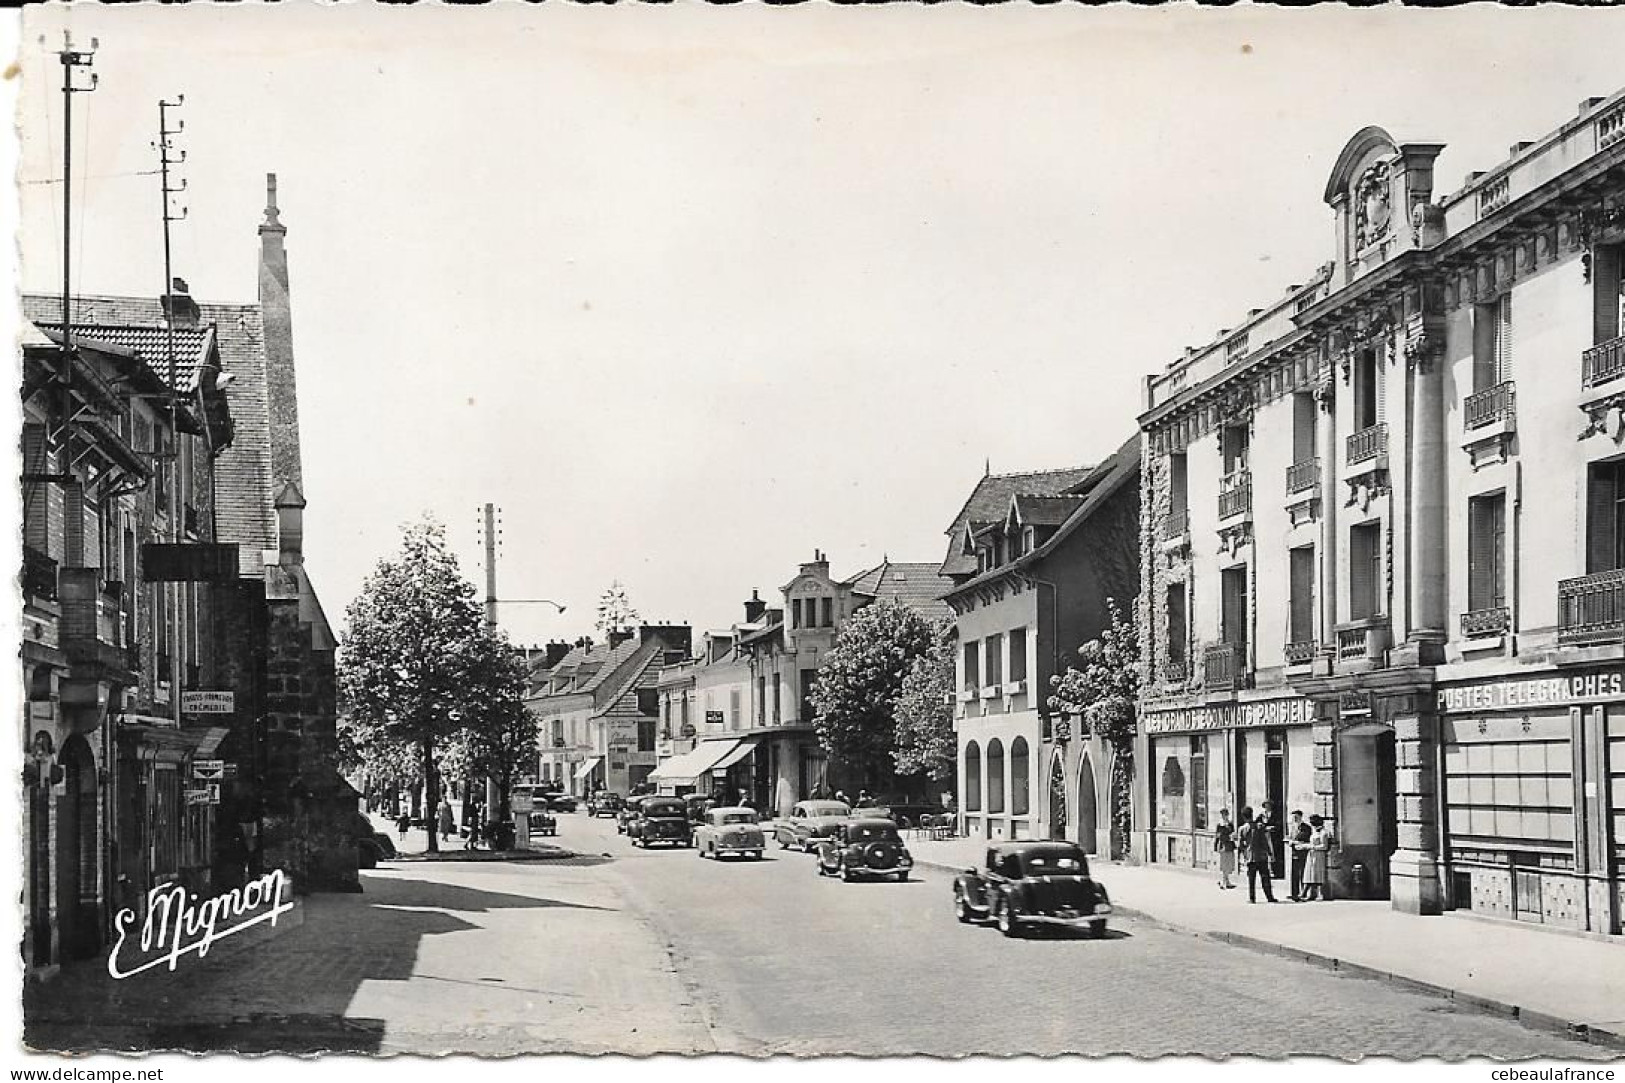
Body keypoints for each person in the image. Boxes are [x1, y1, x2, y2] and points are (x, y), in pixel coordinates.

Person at [1238, 805, 1277, 903]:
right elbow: (1264, 841)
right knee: (1265, 877)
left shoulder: (1242, 829)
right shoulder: (1259, 827)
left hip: (1250, 856)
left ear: (1243, 817)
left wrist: (1244, 854)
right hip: (1261, 855)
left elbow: (1240, 844)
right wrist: (1269, 852)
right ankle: (1269, 897)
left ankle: (1252, 898)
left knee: (1251, 878)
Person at [1303, 815, 1331, 900]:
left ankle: (1319, 894)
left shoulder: (1324, 832)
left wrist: (1312, 847)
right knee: (1309, 874)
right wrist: (1305, 846)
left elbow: (1324, 846)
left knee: (1317, 874)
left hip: (1319, 855)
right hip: (1311, 854)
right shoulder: (1314, 832)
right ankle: (1309, 894)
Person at [1286, 810, 1311, 901]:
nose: (1295, 819)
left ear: (1301, 817)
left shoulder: (1306, 828)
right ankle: (1294, 893)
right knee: (1294, 873)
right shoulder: (1293, 828)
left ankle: (1303, 893)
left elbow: (1307, 840)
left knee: (1303, 873)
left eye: (1296, 817)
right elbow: (1290, 837)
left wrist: (1295, 842)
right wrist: (1290, 841)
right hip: (1294, 852)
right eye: (1293, 817)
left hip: (1302, 852)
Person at [1212, 809, 1237, 889]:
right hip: (1223, 845)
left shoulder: (1230, 824)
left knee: (1229, 863)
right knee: (1223, 864)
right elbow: (1217, 836)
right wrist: (1215, 846)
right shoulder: (1220, 825)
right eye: (1223, 814)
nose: (1225, 816)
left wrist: (1233, 838)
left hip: (1229, 845)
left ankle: (1227, 881)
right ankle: (1223, 881)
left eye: (1226, 814)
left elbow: (1233, 833)